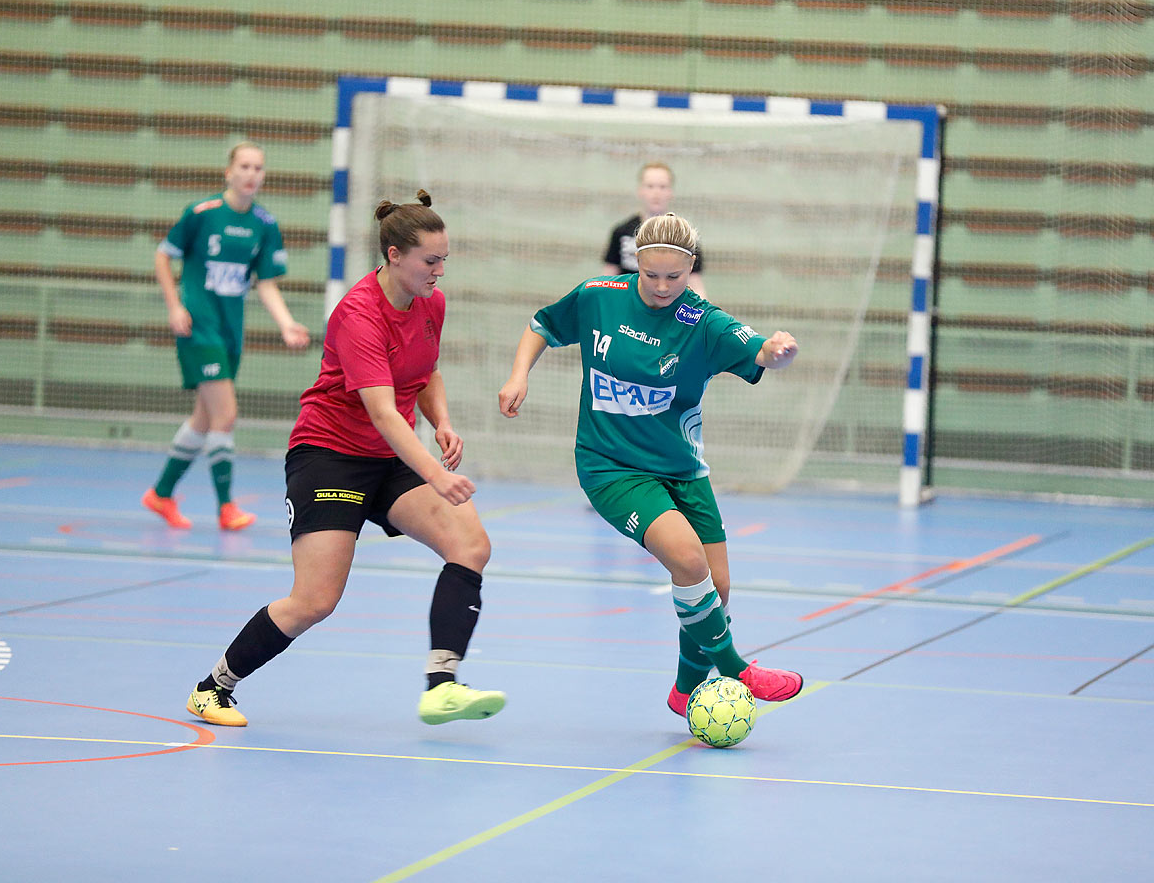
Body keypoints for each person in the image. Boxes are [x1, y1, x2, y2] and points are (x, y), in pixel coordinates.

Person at [185, 191, 506, 728]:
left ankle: (442, 685)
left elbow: (425, 372)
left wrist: (443, 421)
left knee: (471, 544)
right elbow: (382, 412)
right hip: (330, 457)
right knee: (314, 600)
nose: (439, 271)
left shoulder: (431, 302)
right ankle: (214, 687)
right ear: (394, 255)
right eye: (431, 260)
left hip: (389, 456)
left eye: (445, 260)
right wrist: (435, 471)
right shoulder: (358, 314)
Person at [500, 213, 802, 719]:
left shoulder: (703, 322)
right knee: (687, 560)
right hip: (610, 466)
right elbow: (541, 325)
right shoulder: (598, 295)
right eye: (651, 274)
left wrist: (779, 351)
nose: (662, 287)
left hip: (682, 467)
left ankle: (685, 690)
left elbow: (763, 354)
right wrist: (518, 376)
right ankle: (735, 668)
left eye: (674, 277)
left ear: (690, 270)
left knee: (717, 586)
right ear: (635, 264)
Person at [142, 141, 310, 531]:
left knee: (204, 418)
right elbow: (163, 255)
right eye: (245, 166)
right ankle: (226, 507)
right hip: (200, 327)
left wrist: (286, 323)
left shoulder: (264, 225)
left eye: (259, 168)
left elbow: (265, 283)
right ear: (229, 172)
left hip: (232, 330)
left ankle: (161, 494)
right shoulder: (202, 215)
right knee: (226, 414)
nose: (252, 174)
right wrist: (174, 306)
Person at [602, 162, 705, 296]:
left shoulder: (684, 236)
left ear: (670, 192)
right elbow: (608, 277)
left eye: (662, 187)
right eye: (650, 186)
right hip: (628, 301)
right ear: (640, 191)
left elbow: (695, 283)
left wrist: (703, 312)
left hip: (666, 302)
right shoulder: (622, 232)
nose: (656, 193)